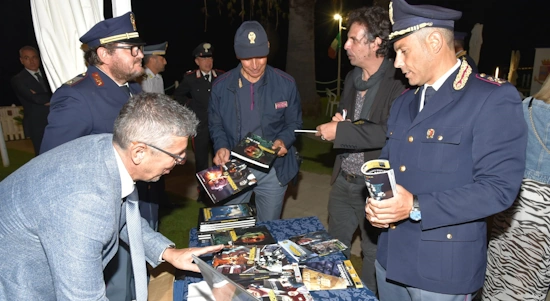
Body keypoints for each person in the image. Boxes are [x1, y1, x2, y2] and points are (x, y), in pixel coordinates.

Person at [365, 0, 527, 300]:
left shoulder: (490, 98)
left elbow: (499, 189)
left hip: (442, 271)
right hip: (391, 260)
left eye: (403, 50)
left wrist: (415, 206)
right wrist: (379, 204)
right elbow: (388, 165)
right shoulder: (404, 103)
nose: (397, 63)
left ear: (435, 41)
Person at [0, 92, 224, 300]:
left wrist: (168, 253)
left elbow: (123, 217)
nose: (179, 163)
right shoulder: (83, 204)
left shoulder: (109, 147)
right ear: (139, 152)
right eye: (177, 156)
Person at [39, 12, 147, 301]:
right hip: (103, 213)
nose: (140, 55)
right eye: (131, 49)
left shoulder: (132, 89)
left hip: (141, 200)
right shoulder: (78, 96)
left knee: (139, 278)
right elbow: (51, 166)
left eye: (139, 47)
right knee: (116, 286)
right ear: (104, 53)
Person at [314, 6, 407, 294]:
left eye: (354, 39)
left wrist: (342, 131)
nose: (347, 45)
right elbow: (354, 124)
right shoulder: (354, 78)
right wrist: (340, 123)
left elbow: (387, 131)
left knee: (373, 256)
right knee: (333, 252)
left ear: (376, 43)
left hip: (375, 186)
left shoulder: (398, 81)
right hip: (344, 181)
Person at [209, 21, 302, 221]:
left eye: (260, 57)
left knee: (268, 229)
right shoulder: (220, 87)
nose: (254, 65)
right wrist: (221, 146)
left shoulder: (286, 84)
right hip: (235, 167)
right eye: (247, 58)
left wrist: (284, 141)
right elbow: (216, 125)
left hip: (273, 170)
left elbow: (294, 124)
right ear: (237, 55)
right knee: (232, 228)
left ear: (268, 48)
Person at [482, 76, 550, 300]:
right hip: (544, 213)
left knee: (499, 269)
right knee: (528, 282)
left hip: (515, 198)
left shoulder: (524, 106)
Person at [174, 42, 223, 203]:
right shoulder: (190, 79)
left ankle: (218, 189)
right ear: (197, 61)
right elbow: (179, 96)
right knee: (201, 160)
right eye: (204, 59)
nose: (208, 62)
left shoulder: (221, 77)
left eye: (210, 58)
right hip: (200, 126)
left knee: (219, 157)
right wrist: (191, 107)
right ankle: (203, 192)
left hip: (219, 127)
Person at [138, 41, 169, 230]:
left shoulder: (158, 79)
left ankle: (158, 202)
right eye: (162, 58)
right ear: (153, 59)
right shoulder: (142, 79)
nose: (165, 62)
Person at [10, 45, 51, 155]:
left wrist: (44, 97)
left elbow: (61, 92)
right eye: (27, 58)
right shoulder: (18, 79)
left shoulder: (49, 74)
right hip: (38, 125)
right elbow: (36, 99)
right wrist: (53, 97)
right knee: (43, 155)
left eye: (34, 57)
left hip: (56, 120)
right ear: (21, 60)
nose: (32, 61)